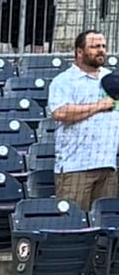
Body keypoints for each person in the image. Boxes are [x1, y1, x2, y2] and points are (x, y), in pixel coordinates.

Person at [48, 32, 119, 211]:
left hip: (108, 165)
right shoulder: (64, 81)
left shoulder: (111, 78)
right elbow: (60, 113)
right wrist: (98, 106)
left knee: (105, 226)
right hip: (76, 166)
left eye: (103, 46)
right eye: (95, 47)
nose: (101, 50)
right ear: (80, 52)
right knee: (72, 223)